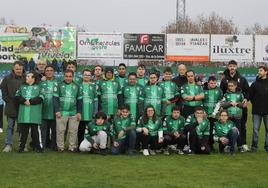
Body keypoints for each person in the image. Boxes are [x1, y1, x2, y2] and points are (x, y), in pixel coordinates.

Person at [220, 60, 249, 151]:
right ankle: (228, 144)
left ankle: (243, 144)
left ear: (236, 67)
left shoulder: (242, 78)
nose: (232, 68)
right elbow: (221, 93)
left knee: (242, 126)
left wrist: (246, 99)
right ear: (228, 67)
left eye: (234, 66)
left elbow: (248, 91)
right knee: (227, 126)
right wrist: (224, 104)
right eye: (230, 66)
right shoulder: (224, 79)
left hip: (240, 108)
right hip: (228, 110)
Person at [53, 70, 82, 152]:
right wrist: (57, 110)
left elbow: (80, 100)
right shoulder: (58, 85)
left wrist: (79, 112)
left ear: (73, 77)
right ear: (63, 76)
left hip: (73, 112)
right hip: (62, 112)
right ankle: (60, 147)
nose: (68, 78)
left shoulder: (77, 86)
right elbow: (55, 99)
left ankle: (72, 147)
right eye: (66, 76)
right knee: (60, 130)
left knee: (73, 131)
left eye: (70, 76)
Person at [15, 71, 43, 153]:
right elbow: (16, 97)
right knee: (23, 132)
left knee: (35, 132)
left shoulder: (39, 87)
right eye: (26, 76)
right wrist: (24, 101)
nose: (26, 77)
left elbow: (41, 98)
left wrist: (30, 101)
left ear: (33, 78)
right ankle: (21, 148)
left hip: (34, 114)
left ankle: (38, 147)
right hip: (23, 113)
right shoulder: (22, 86)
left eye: (28, 76)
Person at [1, 61, 25, 152]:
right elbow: (3, 90)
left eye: (20, 69)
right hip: (10, 106)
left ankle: (21, 144)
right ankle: (8, 144)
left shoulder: (25, 78)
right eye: (17, 69)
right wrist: (7, 100)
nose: (19, 70)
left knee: (22, 127)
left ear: (22, 68)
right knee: (10, 126)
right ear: (13, 68)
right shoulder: (7, 78)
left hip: (22, 106)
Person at [248, 66, 268, 152]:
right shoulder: (254, 84)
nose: (259, 72)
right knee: (255, 130)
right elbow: (250, 96)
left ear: (266, 72)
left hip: (267, 111)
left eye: (261, 70)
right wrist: (255, 103)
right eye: (258, 70)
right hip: (256, 111)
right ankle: (254, 147)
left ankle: (267, 147)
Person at [221, 80, 244, 152]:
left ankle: (240, 146)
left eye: (231, 86)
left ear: (235, 86)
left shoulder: (240, 94)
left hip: (237, 116)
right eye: (229, 86)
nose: (230, 87)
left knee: (238, 132)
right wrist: (230, 103)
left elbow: (243, 104)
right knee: (228, 131)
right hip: (229, 117)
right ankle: (229, 146)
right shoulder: (226, 95)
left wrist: (237, 103)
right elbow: (223, 104)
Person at [77, 69, 98, 148]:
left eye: (88, 75)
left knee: (91, 131)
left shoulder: (93, 86)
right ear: (82, 76)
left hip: (90, 113)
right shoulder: (78, 86)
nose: (87, 76)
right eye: (85, 75)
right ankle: (80, 145)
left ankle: (92, 146)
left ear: (91, 77)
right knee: (80, 131)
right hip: (81, 113)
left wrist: (95, 112)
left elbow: (95, 100)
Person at [39, 65, 58, 150]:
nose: (49, 72)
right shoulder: (40, 83)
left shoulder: (58, 83)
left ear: (53, 72)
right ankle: (43, 145)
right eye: (47, 70)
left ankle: (54, 146)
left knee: (55, 130)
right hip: (43, 111)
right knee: (43, 130)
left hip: (55, 111)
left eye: (51, 70)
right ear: (45, 72)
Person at [203, 76, 223, 150]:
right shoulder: (203, 89)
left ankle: (211, 145)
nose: (213, 85)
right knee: (205, 130)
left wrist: (216, 112)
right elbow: (200, 101)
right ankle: (205, 145)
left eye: (214, 83)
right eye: (211, 83)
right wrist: (203, 111)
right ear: (208, 83)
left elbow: (220, 102)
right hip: (204, 114)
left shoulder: (219, 90)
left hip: (214, 115)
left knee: (212, 131)